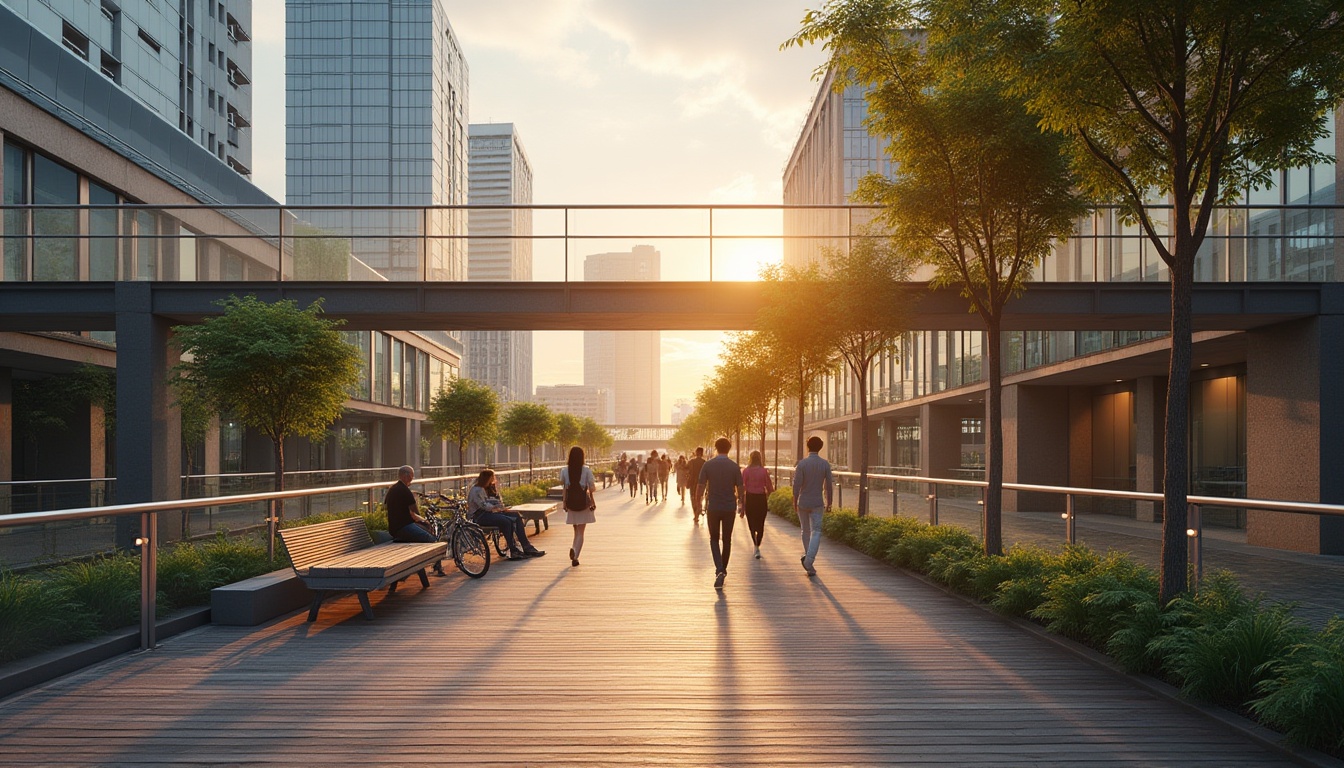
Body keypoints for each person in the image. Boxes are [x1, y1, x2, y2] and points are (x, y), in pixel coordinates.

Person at [697, 437, 744, 590]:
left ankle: (719, 569)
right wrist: (741, 503)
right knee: (727, 539)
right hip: (729, 507)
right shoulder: (734, 466)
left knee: (714, 539)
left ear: (716, 448)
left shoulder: (708, 465)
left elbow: (701, 486)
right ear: (729, 449)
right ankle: (723, 569)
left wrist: (698, 503)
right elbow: (740, 487)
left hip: (713, 507)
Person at [467, 469, 545, 559]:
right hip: (480, 516)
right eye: (492, 478)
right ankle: (513, 550)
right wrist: (497, 508)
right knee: (506, 521)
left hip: (487, 513)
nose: (493, 480)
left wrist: (501, 507)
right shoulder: (476, 490)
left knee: (516, 515)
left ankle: (526, 546)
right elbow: (483, 505)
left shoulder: (483, 488)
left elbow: (489, 501)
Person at [384, 465, 444, 575]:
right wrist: (425, 522)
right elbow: (415, 513)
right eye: (411, 476)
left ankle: (427, 567)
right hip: (403, 528)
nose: (412, 478)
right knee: (432, 539)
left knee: (425, 531)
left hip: (395, 527)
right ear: (405, 476)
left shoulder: (393, 489)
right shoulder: (405, 491)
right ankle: (436, 567)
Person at [793, 436, 834, 577]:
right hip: (817, 502)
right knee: (816, 531)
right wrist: (829, 502)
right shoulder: (825, 464)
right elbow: (828, 486)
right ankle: (809, 560)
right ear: (820, 447)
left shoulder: (802, 464)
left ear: (807, 446)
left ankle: (808, 563)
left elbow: (796, 485)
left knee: (805, 531)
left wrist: (794, 500)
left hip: (803, 501)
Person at [560, 445, 597, 567]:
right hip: (583, 503)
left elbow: (565, 487)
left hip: (571, 503)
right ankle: (575, 555)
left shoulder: (565, 471)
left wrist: (564, 502)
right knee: (581, 532)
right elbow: (591, 488)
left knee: (575, 530)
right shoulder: (586, 470)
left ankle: (574, 550)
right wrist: (592, 500)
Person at [742, 450, 775, 560]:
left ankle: (755, 544)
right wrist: (772, 497)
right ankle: (758, 543)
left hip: (750, 498)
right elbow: (770, 487)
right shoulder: (764, 471)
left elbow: (742, 487)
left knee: (751, 522)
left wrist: (741, 502)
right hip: (761, 499)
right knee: (760, 522)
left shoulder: (746, 471)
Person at [685, 447, 707, 523]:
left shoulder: (691, 461)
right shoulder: (704, 462)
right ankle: (698, 510)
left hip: (692, 483)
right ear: (702, 453)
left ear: (696, 452)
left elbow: (686, 470)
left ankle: (696, 514)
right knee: (700, 498)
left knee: (693, 498)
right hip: (701, 483)